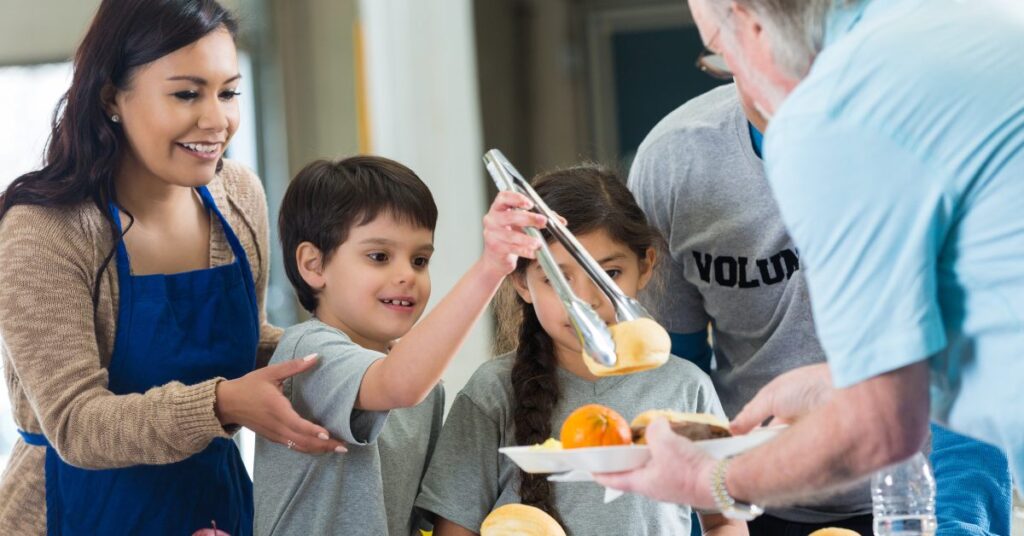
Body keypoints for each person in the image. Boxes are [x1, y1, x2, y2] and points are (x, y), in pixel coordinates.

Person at [596, 0, 1024, 519]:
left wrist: (710, 481)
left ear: (753, 24)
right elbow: (977, 325)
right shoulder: (980, 26)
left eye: (719, 49)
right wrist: (838, 384)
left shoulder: (830, 116)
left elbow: (881, 427)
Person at [0, 1, 346, 533]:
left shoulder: (237, 196)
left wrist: (346, 358)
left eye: (228, 92)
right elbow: (76, 424)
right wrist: (226, 401)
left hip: (213, 506)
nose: (216, 120)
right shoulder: (44, 230)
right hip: (71, 511)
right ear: (111, 96)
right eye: (187, 93)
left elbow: (245, 341)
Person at [415, 166, 748, 536]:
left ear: (645, 267)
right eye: (558, 279)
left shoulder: (686, 388)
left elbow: (725, 520)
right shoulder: (492, 392)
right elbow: (454, 529)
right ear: (522, 283)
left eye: (610, 274)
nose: (586, 301)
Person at [254, 156, 545, 535]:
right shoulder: (308, 352)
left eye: (420, 259)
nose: (407, 275)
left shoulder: (424, 388)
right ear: (314, 265)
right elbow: (398, 383)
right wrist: (490, 268)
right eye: (379, 257)